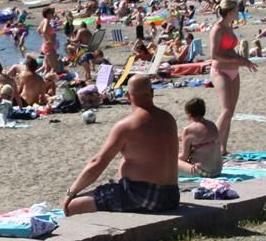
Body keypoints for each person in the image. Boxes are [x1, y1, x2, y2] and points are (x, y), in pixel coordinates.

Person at [63, 76, 179, 215]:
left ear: (128, 96)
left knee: (73, 206)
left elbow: (98, 162)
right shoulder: (168, 118)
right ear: (152, 93)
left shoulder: (127, 125)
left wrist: (71, 192)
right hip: (171, 195)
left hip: (143, 196)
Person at [208, 0, 258, 155]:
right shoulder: (217, 29)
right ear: (230, 12)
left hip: (234, 72)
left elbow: (229, 50)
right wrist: (236, 61)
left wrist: (244, 61)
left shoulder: (229, 27)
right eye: (236, 10)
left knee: (230, 112)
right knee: (226, 110)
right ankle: (209, 145)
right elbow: (214, 55)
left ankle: (222, 148)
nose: (238, 13)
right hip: (220, 71)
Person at [177, 98, 222, 178]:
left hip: (204, 172)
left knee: (170, 161)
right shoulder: (212, 125)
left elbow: (184, 157)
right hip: (218, 170)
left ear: (189, 114)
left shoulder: (188, 130)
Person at [38, 7, 60, 75]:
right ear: (47, 14)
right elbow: (44, 31)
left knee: (47, 68)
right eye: (52, 13)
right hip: (49, 47)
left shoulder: (44, 21)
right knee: (54, 67)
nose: (53, 14)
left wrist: (45, 39)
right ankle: (50, 79)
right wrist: (49, 40)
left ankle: (44, 80)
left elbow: (39, 30)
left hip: (46, 46)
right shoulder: (46, 21)